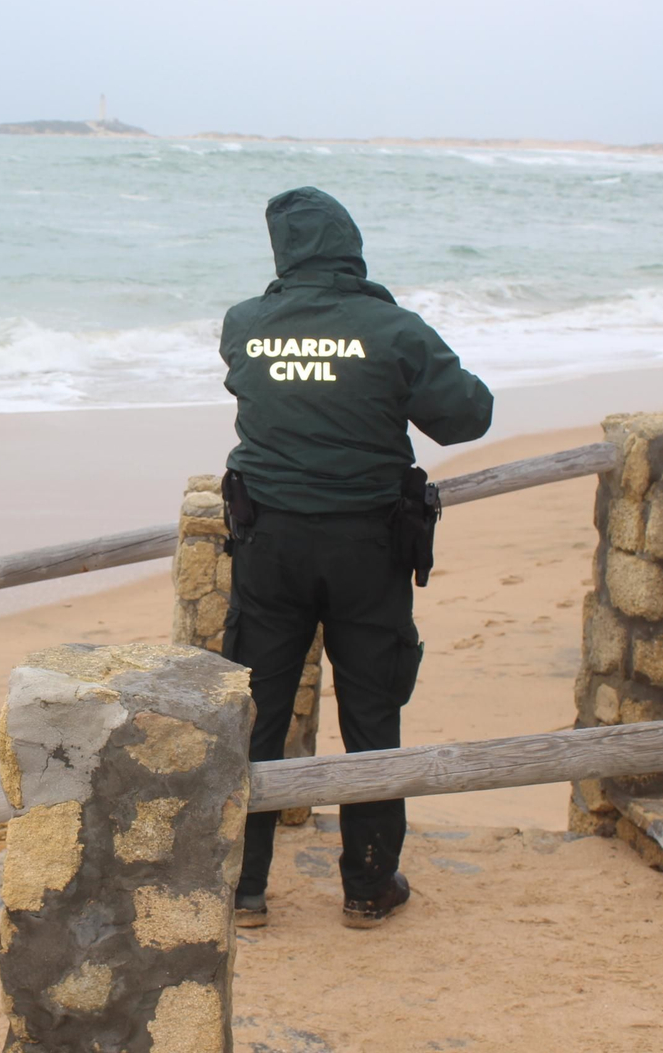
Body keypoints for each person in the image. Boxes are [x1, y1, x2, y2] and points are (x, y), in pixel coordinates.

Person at [219, 187, 493, 929]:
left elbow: (257, 389)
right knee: (371, 712)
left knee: (258, 715)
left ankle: (242, 889)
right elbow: (468, 414)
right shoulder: (393, 329)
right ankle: (368, 886)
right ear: (350, 245)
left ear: (282, 252)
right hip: (366, 548)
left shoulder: (245, 324)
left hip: (266, 545)